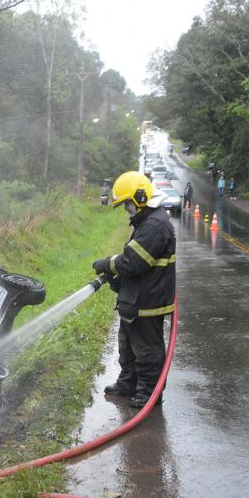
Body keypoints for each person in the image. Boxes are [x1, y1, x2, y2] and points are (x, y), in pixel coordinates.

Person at [92, 171, 177, 408]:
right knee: (127, 345)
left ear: (139, 197)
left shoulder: (155, 225)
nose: (127, 211)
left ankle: (149, 392)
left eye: (127, 205)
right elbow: (137, 262)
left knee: (147, 350)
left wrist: (107, 263)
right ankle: (128, 384)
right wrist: (119, 280)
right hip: (136, 297)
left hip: (148, 301)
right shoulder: (147, 221)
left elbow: (133, 261)